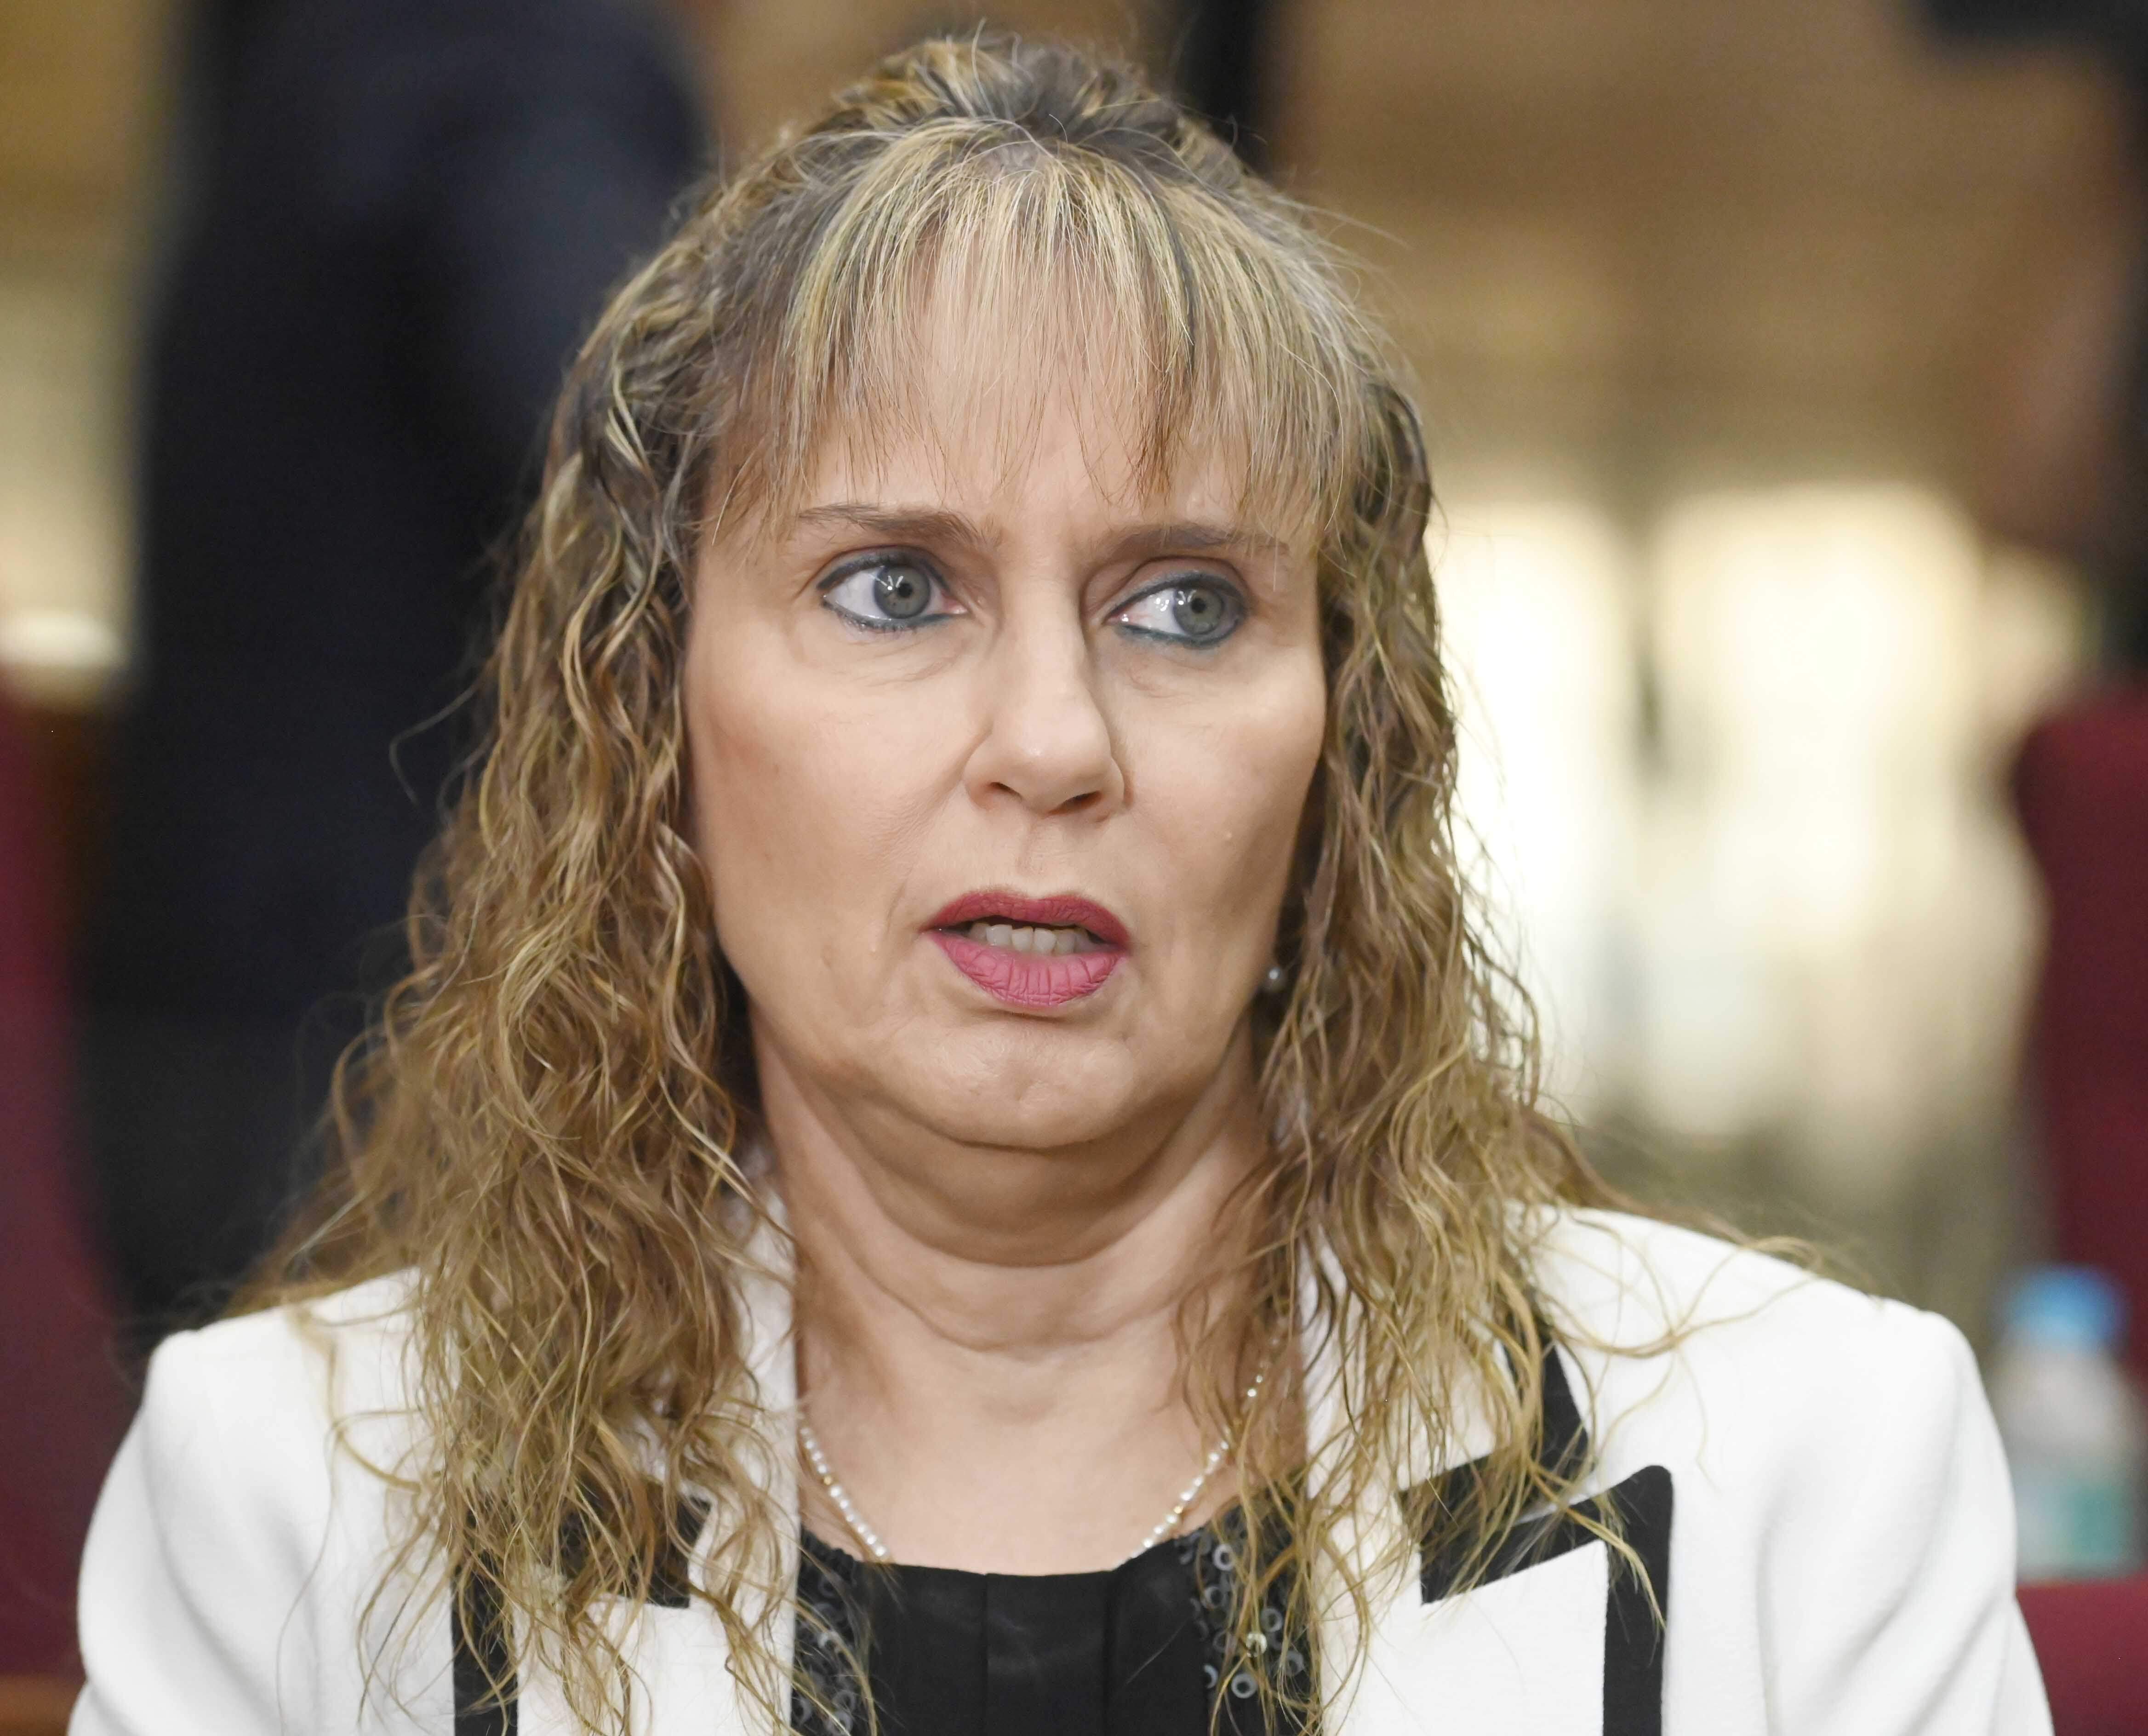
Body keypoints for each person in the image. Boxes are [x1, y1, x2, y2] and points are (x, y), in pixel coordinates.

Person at [70, 36, 2051, 1736]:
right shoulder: (294, 1504)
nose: (1051, 737)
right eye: (894, 588)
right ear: (655, 707)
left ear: (1341, 742)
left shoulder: (1810, 1468)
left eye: (1183, 606)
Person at [82, 0, 709, 1345]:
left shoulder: (318, 54)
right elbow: (644, 477)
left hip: (203, 985)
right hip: (396, 1037)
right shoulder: (519, 71)